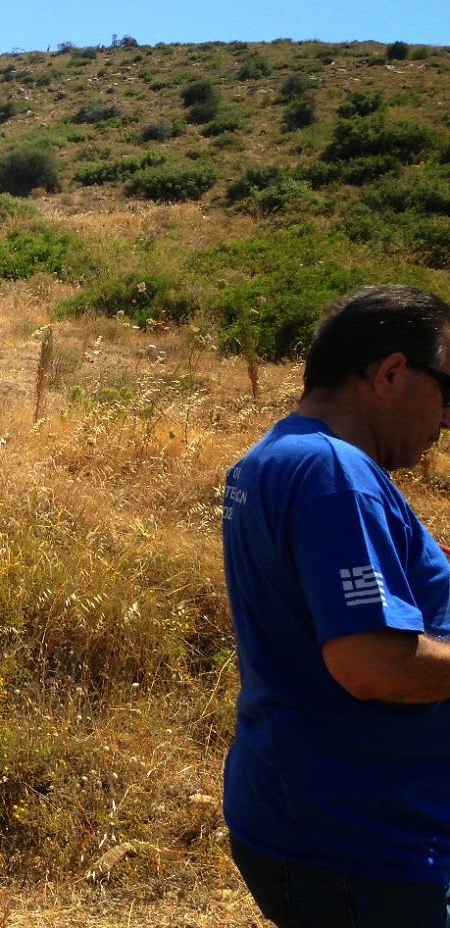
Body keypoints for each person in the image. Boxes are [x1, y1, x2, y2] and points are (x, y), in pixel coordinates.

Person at [221, 284, 450, 927]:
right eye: (448, 391)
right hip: (362, 845)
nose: (448, 418)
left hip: (301, 813)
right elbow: (371, 664)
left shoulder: (274, 455)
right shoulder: (336, 475)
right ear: (391, 373)